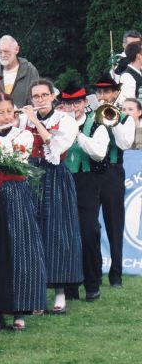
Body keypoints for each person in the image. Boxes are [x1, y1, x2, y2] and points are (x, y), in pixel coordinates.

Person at [0, 93, 48, 333]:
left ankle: (21, 309)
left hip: (16, 193)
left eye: (8, 112)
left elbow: (15, 160)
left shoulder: (23, 134)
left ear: (15, 113)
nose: (4, 116)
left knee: (21, 247)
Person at [24, 79, 82, 314]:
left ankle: (60, 294)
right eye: (35, 96)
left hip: (56, 177)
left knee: (57, 233)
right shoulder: (23, 119)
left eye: (43, 95)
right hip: (30, 176)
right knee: (33, 233)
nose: (39, 100)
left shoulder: (65, 121)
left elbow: (55, 147)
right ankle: (36, 294)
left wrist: (35, 121)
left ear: (52, 96)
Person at [57, 83, 110, 303]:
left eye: (76, 102)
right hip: (62, 181)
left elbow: (99, 153)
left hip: (86, 182)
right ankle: (69, 285)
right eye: (68, 103)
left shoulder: (97, 125)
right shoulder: (57, 124)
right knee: (65, 233)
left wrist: (77, 135)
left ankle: (92, 283)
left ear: (85, 103)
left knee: (88, 232)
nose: (72, 107)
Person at [92, 74, 136, 287]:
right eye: (99, 92)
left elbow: (125, 143)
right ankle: (93, 272)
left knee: (114, 224)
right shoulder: (91, 115)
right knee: (90, 225)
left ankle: (116, 274)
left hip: (112, 172)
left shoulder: (126, 118)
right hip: (91, 173)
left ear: (115, 93)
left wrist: (113, 118)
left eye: (107, 91)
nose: (102, 96)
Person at [0, 35, 40, 108]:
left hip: (24, 116)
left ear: (17, 49)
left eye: (6, 51)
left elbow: (35, 97)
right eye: (0, 52)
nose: (3, 55)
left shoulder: (30, 70)